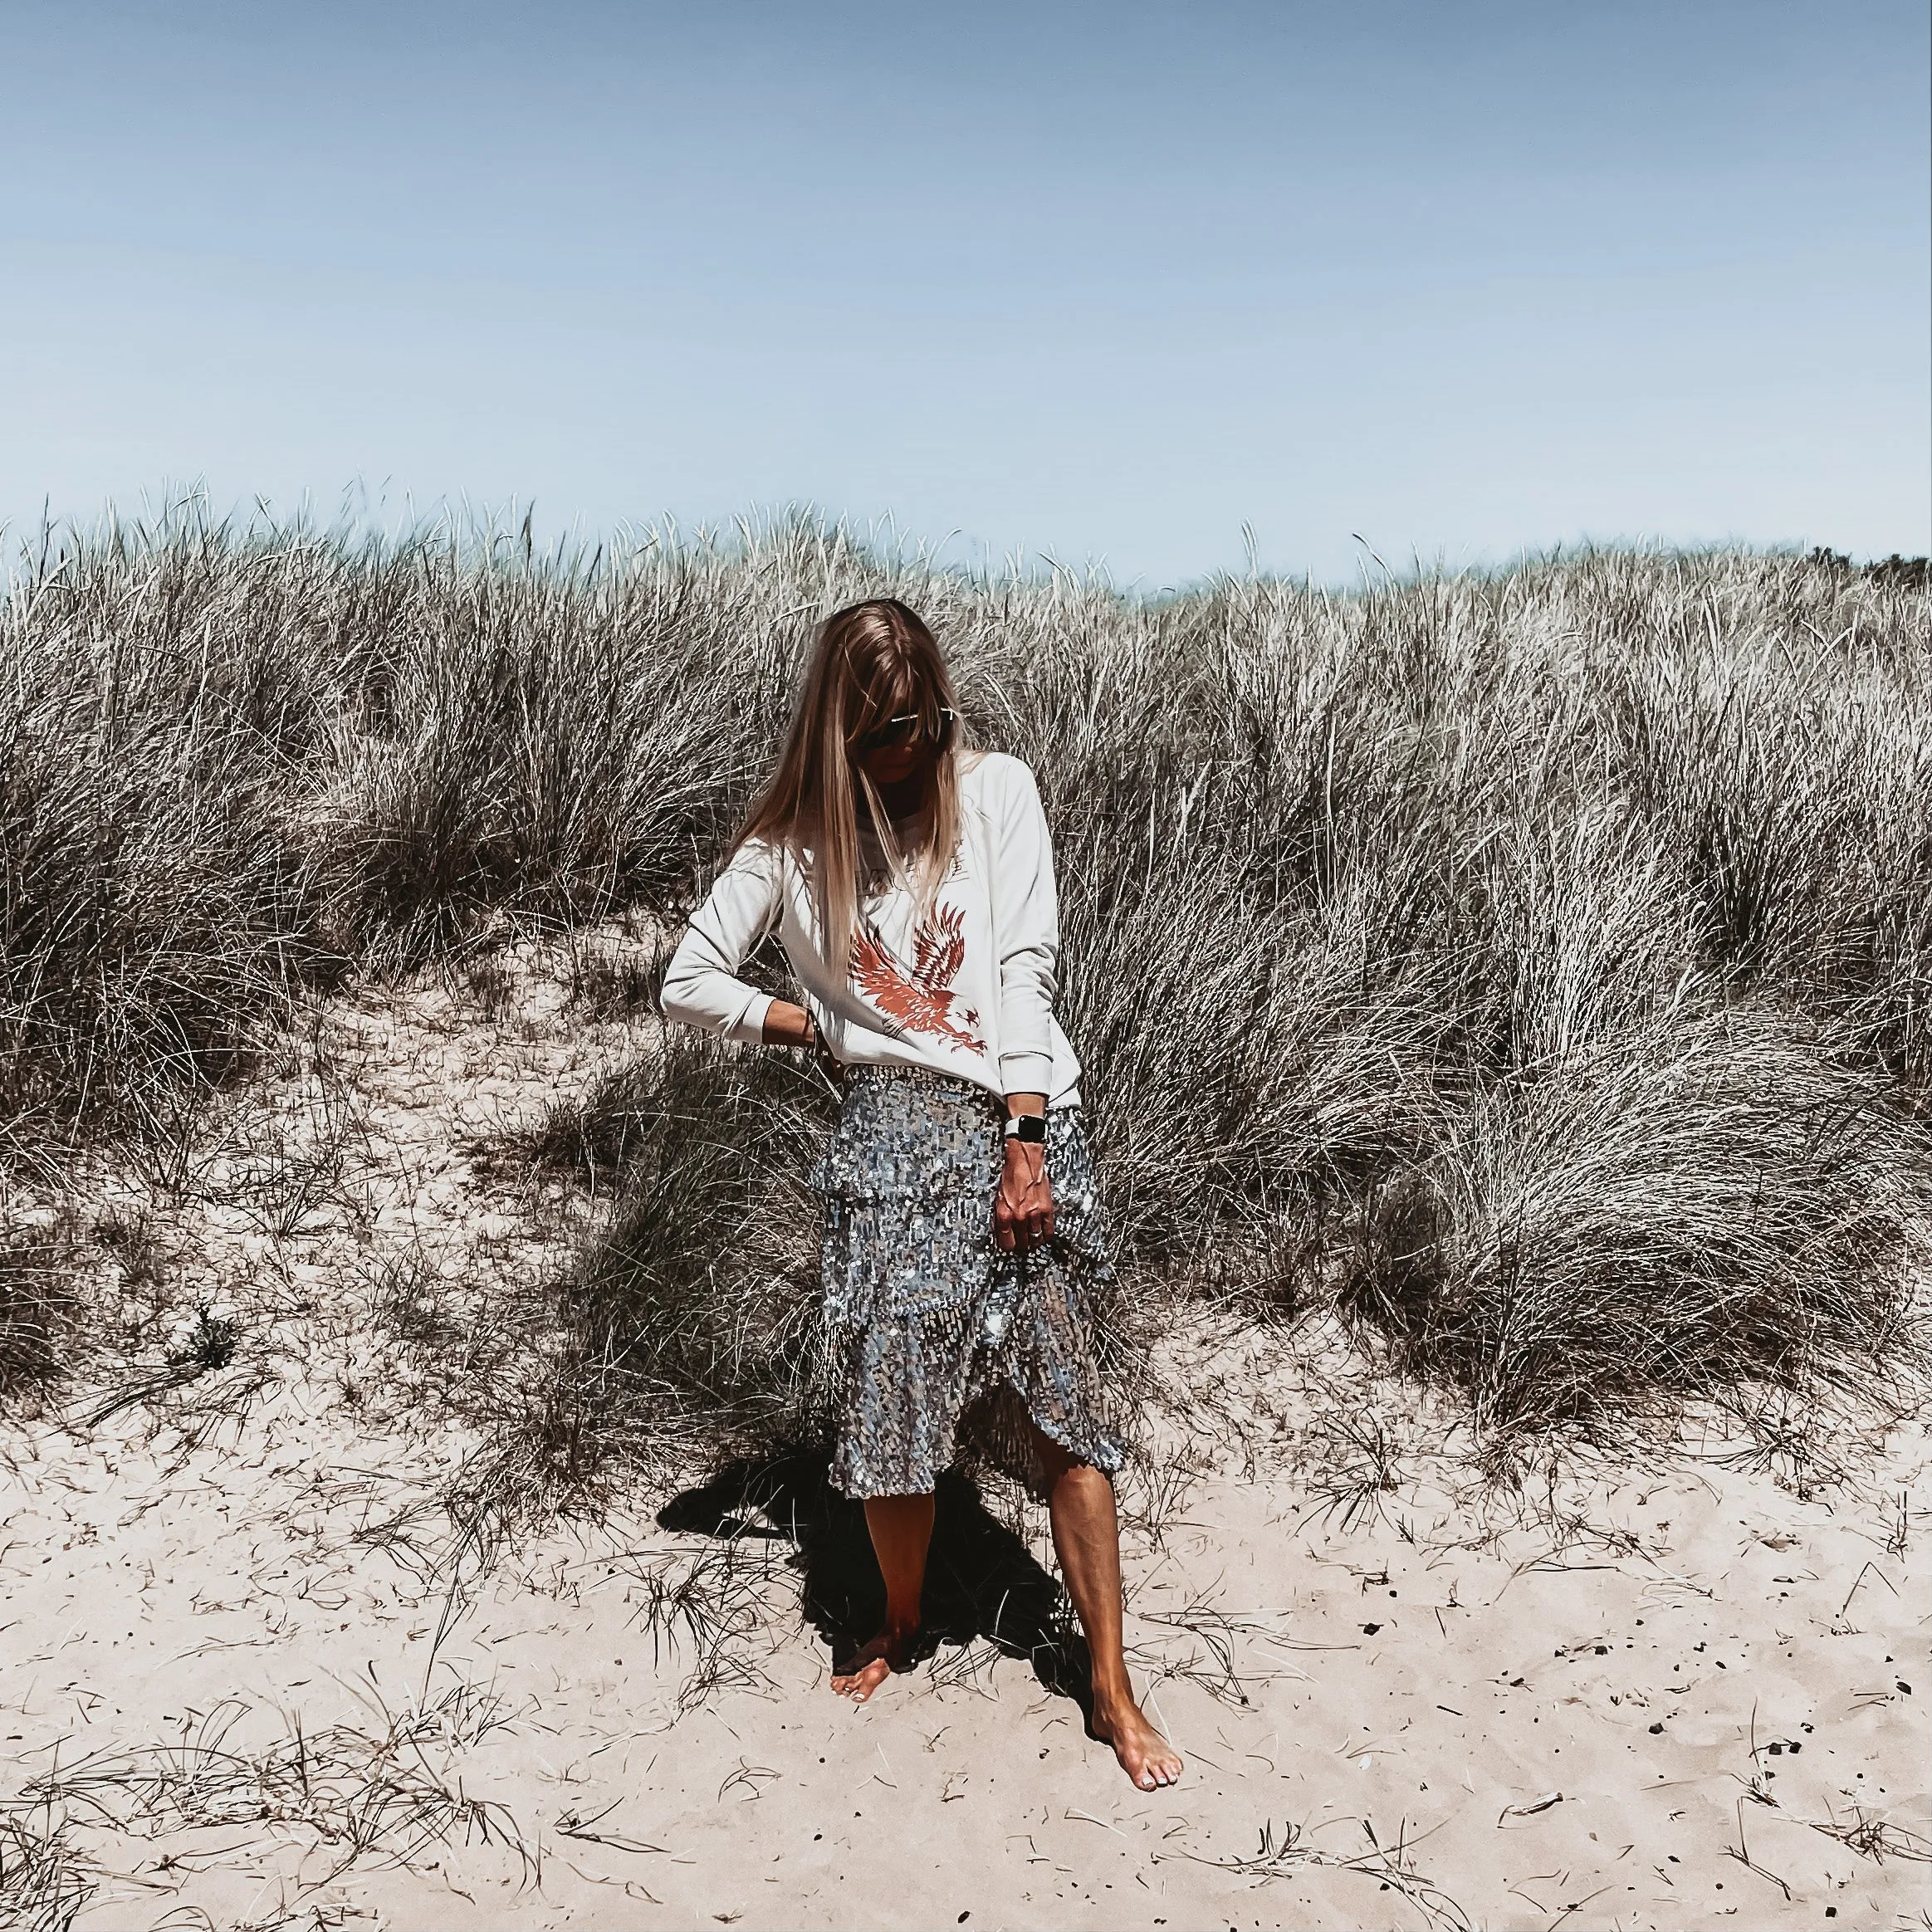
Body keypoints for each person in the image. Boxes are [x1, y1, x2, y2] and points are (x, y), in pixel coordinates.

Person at [659, 597, 1183, 1792]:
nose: (915, 745)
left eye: (925, 717)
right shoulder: (793, 844)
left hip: (1013, 1118)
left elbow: (1020, 967)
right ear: (838, 733)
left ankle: (1107, 1681)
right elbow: (685, 978)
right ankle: (898, 1617)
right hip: (888, 1142)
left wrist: (1024, 1136)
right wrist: (828, 1031)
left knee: (1063, 1407)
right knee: (892, 1413)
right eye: (889, 729)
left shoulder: (993, 787)